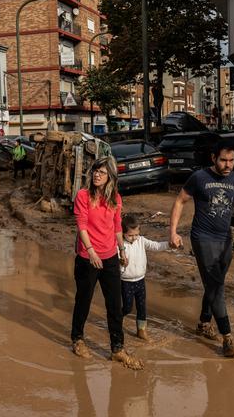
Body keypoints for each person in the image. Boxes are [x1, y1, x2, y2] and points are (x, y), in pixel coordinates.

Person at [169, 140, 234, 358]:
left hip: (225, 239)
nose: (227, 165)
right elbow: (179, 201)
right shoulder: (199, 177)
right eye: (223, 160)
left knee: (215, 283)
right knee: (216, 286)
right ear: (213, 158)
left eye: (231, 160)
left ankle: (204, 322)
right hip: (202, 238)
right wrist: (173, 232)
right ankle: (228, 338)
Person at [70, 157, 143, 370]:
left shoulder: (115, 199)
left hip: (110, 256)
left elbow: (117, 227)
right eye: (95, 171)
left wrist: (122, 250)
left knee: (115, 304)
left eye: (102, 172)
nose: (97, 175)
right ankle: (78, 339)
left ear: (110, 176)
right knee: (84, 300)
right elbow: (81, 226)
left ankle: (117, 349)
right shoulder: (83, 196)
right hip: (87, 258)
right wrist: (91, 251)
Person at [120, 213, 169, 341]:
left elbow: (156, 246)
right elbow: (117, 264)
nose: (134, 238)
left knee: (142, 307)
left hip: (140, 280)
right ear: (123, 233)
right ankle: (116, 321)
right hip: (126, 282)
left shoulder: (141, 240)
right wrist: (121, 263)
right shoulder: (120, 246)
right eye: (130, 235)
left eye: (136, 234)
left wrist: (170, 244)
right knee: (127, 307)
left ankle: (141, 330)